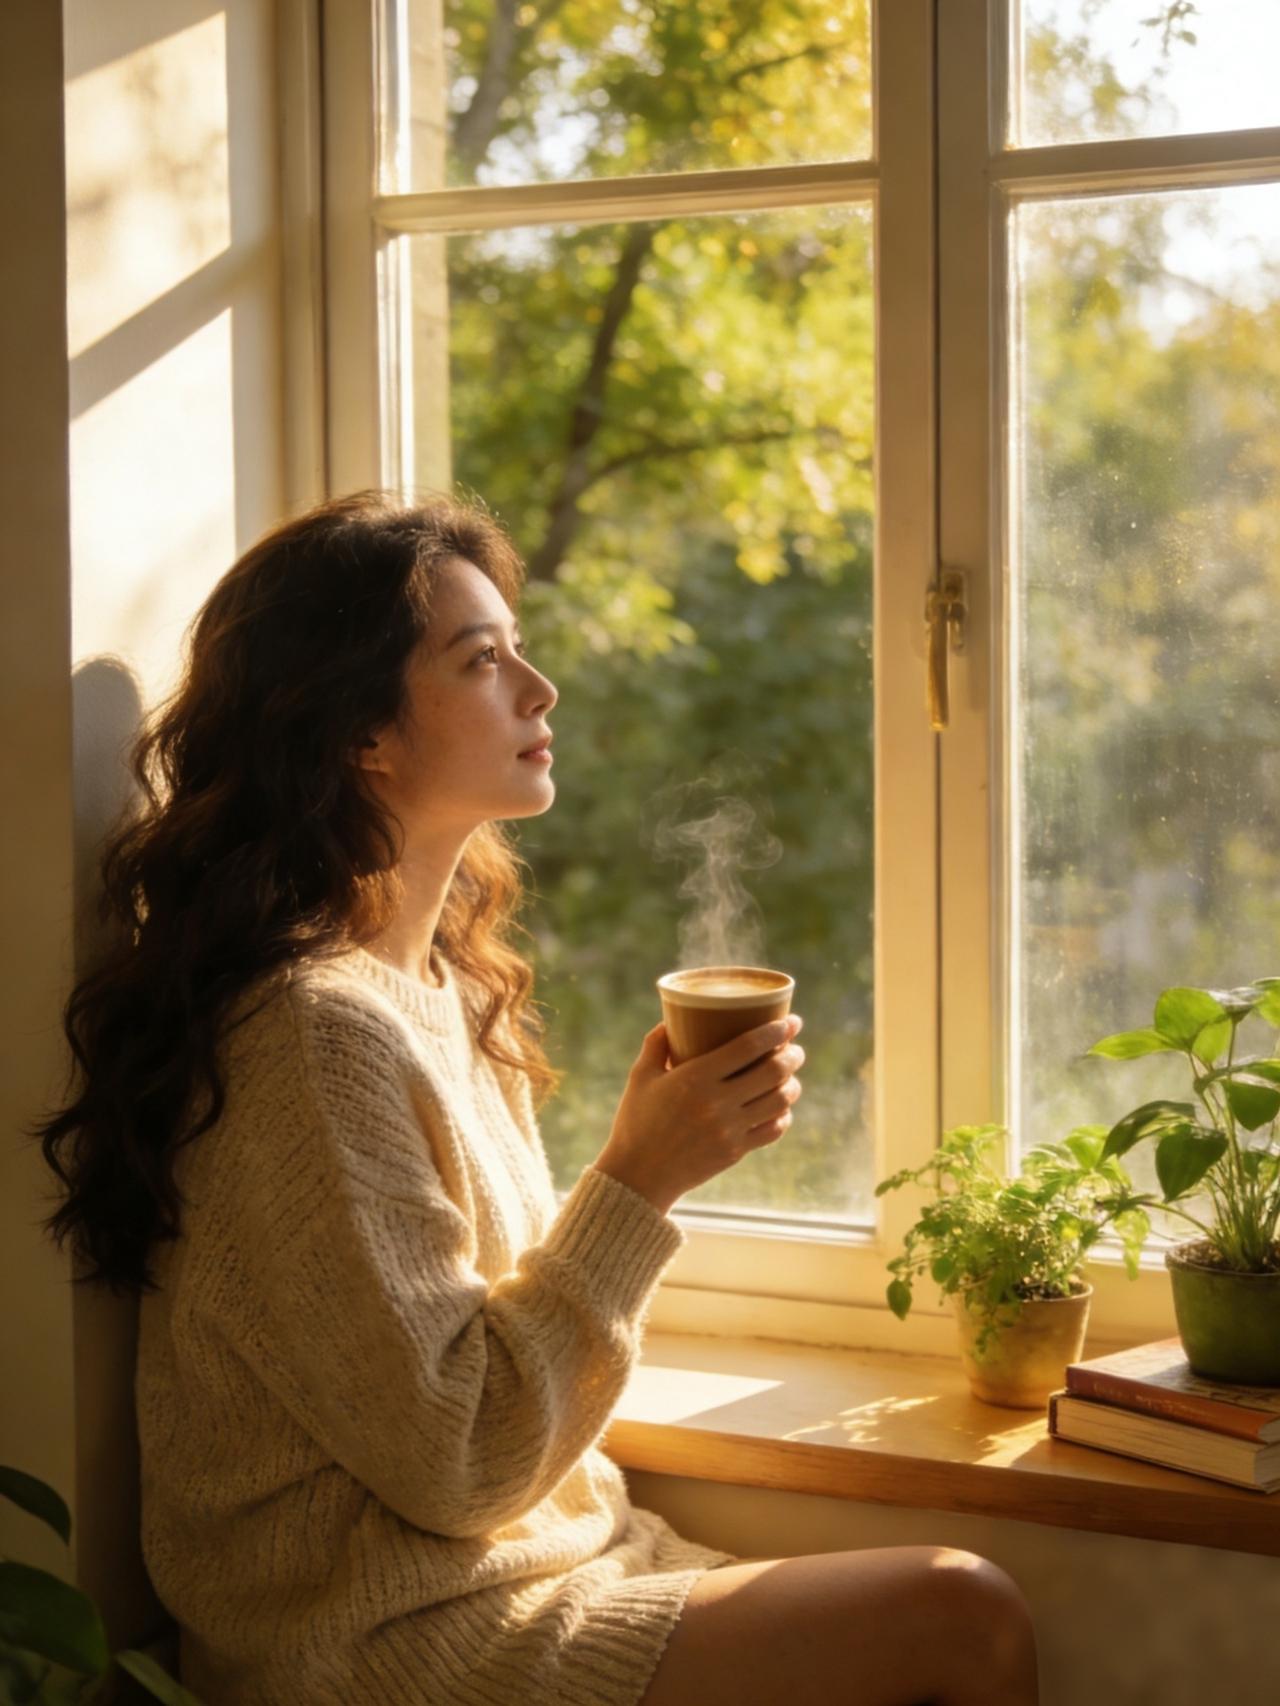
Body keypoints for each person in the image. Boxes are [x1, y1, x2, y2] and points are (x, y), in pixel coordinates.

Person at [36, 491, 1038, 1705]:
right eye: (481, 659)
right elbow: (459, 1455)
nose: (539, 686)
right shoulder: (310, 1034)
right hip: (381, 1647)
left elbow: (473, 1349)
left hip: (537, 1570)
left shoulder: (446, 989)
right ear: (362, 734)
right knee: (957, 1609)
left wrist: (642, 1166)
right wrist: (642, 1174)